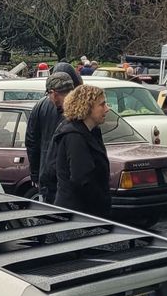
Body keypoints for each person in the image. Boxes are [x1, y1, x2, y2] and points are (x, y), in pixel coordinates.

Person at [47, 84, 111, 216]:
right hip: (77, 214)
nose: (107, 109)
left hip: (86, 211)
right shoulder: (74, 135)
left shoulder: (91, 132)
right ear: (87, 107)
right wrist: (101, 201)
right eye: (102, 104)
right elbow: (81, 178)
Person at [26, 72, 76, 203]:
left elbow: (32, 142)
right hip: (68, 180)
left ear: (53, 93)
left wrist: (35, 174)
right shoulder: (81, 109)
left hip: (51, 178)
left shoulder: (40, 106)